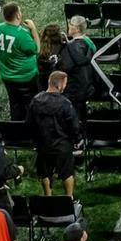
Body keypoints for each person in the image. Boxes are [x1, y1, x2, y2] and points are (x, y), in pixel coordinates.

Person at [26, 71, 81, 199]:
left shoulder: (36, 100)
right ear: (59, 85)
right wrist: (76, 139)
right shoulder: (65, 103)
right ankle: (68, 198)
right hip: (62, 145)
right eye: (65, 84)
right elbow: (74, 125)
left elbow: (29, 123)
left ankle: (48, 197)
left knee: (45, 172)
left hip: (43, 144)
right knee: (67, 173)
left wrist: (35, 140)